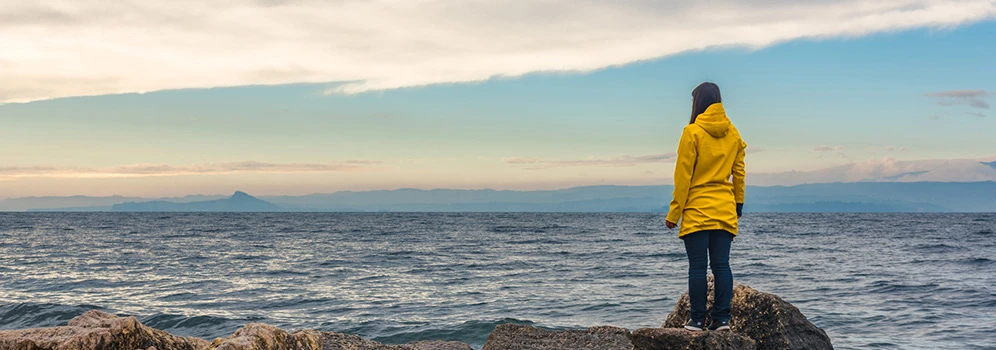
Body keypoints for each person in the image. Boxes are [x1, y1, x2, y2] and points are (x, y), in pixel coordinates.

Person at [665, 82, 746, 332]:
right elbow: (739, 174)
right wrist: (738, 206)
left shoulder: (692, 132)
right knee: (722, 265)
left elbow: (683, 176)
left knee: (697, 267)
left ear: (698, 102)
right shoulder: (733, 133)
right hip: (724, 209)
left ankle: (697, 320)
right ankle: (722, 319)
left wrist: (674, 212)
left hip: (697, 209)